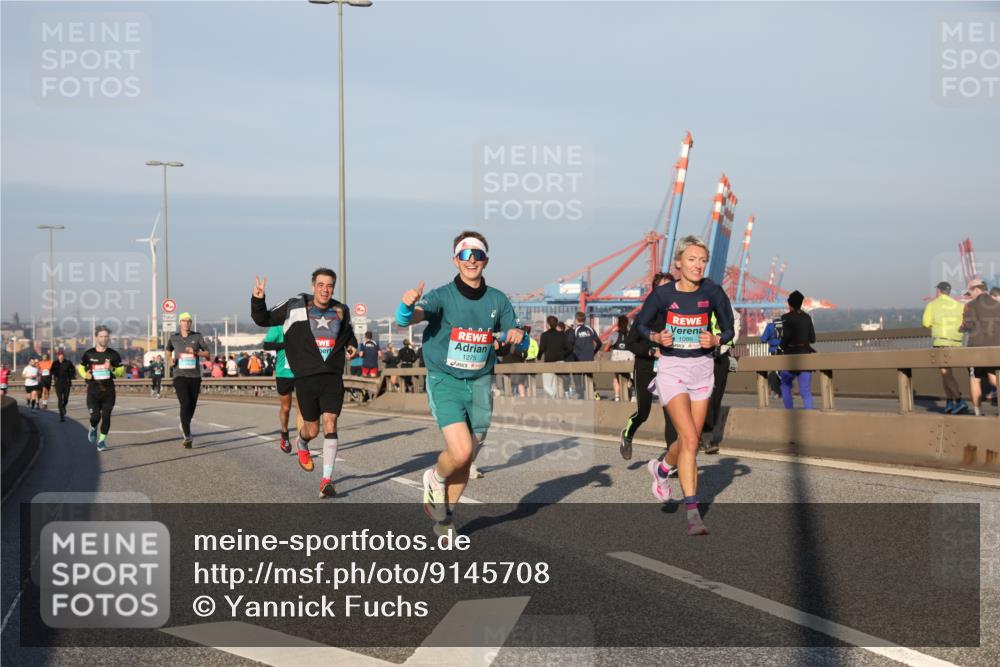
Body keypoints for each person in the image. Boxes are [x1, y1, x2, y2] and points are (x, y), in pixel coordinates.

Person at [396, 231, 526, 534]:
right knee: (461, 451)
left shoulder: (498, 299)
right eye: (465, 255)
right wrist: (406, 306)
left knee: (467, 460)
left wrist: (517, 335)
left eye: (477, 254)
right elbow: (408, 319)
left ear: (486, 260)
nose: (472, 260)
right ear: (455, 260)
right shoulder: (442, 296)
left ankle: (445, 517)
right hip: (446, 380)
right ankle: (435, 479)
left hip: (481, 383)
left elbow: (515, 332)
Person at [635, 236, 734, 536]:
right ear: (678, 263)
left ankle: (662, 468)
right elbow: (641, 324)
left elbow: (729, 329)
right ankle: (693, 513)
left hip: (703, 371)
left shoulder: (713, 292)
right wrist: (656, 338)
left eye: (702, 260)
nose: (698, 265)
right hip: (672, 370)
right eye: (691, 259)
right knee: (691, 439)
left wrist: (717, 339)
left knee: (687, 440)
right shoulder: (664, 295)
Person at [252, 268, 358, 499]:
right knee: (312, 429)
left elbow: (348, 334)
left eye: (329, 285)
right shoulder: (295, 306)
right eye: (320, 284)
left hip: (332, 376)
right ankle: (302, 443)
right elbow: (263, 319)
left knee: (331, 424)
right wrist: (258, 299)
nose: (325, 289)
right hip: (306, 377)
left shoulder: (341, 310)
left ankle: (326, 481)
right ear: (313, 286)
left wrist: (352, 344)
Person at [620, 272, 678, 460]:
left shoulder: (678, 315)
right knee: (643, 411)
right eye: (662, 288)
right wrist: (651, 351)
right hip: (645, 366)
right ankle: (627, 435)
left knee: (671, 414)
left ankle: (672, 460)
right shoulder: (645, 316)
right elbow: (630, 343)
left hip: (668, 368)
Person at [922, 281, 968, 414]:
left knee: (945, 373)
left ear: (938, 291)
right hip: (957, 342)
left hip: (941, 342)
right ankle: (949, 402)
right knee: (947, 373)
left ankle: (959, 400)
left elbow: (925, 323)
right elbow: (964, 322)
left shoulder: (932, 304)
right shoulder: (959, 305)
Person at [701, 304, 742, 454]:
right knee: (701, 397)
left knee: (715, 399)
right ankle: (703, 437)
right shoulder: (695, 302)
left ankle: (707, 435)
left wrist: (728, 343)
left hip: (720, 356)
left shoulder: (722, 302)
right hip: (698, 357)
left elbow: (737, 319)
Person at [166, 313, 211, 449]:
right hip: (179, 376)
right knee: (185, 403)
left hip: (194, 377)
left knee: (191, 405)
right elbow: (168, 350)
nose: (186, 323)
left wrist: (196, 352)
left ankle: (184, 423)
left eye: (188, 321)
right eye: (184, 321)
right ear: (180, 323)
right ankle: (187, 435)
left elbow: (208, 354)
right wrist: (170, 360)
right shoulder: (174, 338)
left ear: (191, 323)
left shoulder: (197, 336)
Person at [78, 326, 124, 451]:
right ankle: (93, 428)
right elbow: (80, 367)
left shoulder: (113, 354)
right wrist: (84, 374)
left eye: (106, 336)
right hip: (93, 391)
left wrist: (112, 369)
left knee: (107, 416)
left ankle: (102, 441)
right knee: (95, 417)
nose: (104, 339)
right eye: (101, 336)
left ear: (108, 338)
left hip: (108, 392)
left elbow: (121, 371)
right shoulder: (89, 354)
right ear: (96, 337)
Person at [960, 280, 1000, 416]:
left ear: (976, 289)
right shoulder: (997, 304)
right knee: (994, 376)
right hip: (996, 347)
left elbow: (968, 326)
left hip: (976, 348)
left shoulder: (970, 305)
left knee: (975, 378)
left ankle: (977, 411)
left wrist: (962, 327)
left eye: (970, 292)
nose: (969, 295)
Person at [778, 290, 816, 409]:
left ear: (790, 304)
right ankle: (810, 415)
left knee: (785, 386)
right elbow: (812, 338)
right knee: (805, 390)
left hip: (790, 358)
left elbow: (786, 337)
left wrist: (780, 348)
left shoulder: (785, 318)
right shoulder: (807, 317)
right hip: (805, 357)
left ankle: (789, 411)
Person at [262, 325, 296, 453]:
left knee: (303, 408)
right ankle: (284, 433)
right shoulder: (277, 328)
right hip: (284, 373)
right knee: (286, 408)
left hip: (301, 373)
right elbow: (266, 345)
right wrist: (285, 344)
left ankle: (302, 440)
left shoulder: (304, 323)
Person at [566, 311, 601, 398]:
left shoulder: (575, 331)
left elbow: (569, 345)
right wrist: (594, 352)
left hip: (578, 358)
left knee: (577, 378)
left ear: (576, 320)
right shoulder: (590, 329)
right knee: (589, 378)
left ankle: (581, 396)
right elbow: (599, 343)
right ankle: (596, 395)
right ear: (584, 320)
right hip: (589, 358)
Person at [538, 315, 569, 398]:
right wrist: (562, 355)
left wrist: (538, 356)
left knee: (546, 386)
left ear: (548, 324)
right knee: (554, 384)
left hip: (549, 362)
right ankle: (554, 403)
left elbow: (541, 348)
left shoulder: (544, 335)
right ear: (556, 324)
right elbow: (569, 348)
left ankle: (553, 395)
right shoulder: (562, 335)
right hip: (560, 362)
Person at [606, 315, 634, 401]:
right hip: (629, 356)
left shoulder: (614, 334)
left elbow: (606, 348)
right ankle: (632, 394)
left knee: (616, 377)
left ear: (618, 324)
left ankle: (617, 397)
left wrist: (610, 348)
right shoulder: (631, 334)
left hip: (617, 356)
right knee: (631, 376)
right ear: (627, 323)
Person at [759, 316, 784, 397]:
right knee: (783, 370)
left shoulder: (770, 326)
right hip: (785, 351)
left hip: (774, 351)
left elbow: (763, 339)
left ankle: (777, 391)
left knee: (775, 371)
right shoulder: (785, 325)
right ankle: (785, 391)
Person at [51, 349, 75, 422]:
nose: (60, 357)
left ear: (63, 356)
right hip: (58, 383)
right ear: (57, 356)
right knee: (60, 399)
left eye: (62, 355)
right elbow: (51, 371)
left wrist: (71, 376)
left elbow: (73, 370)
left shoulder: (68, 362)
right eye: (59, 355)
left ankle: (63, 406)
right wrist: (54, 375)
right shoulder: (55, 363)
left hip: (66, 383)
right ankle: (61, 415)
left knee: (66, 398)